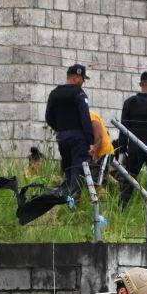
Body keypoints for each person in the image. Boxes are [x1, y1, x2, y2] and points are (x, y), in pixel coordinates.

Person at [43, 63, 94, 199]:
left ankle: (66, 199)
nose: (83, 82)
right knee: (78, 170)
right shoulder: (79, 94)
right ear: (76, 77)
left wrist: (61, 129)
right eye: (82, 78)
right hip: (78, 138)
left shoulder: (54, 93)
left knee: (68, 169)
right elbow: (85, 119)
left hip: (62, 137)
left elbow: (48, 117)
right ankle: (74, 203)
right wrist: (91, 141)